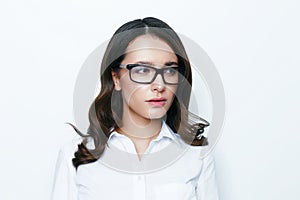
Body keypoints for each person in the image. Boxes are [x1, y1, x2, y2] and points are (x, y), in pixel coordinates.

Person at [51, 17, 219, 200]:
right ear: (116, 78)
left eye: (170, 70)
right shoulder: (75, 156)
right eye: (142, 70)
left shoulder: (196, 156)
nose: (159, 85)